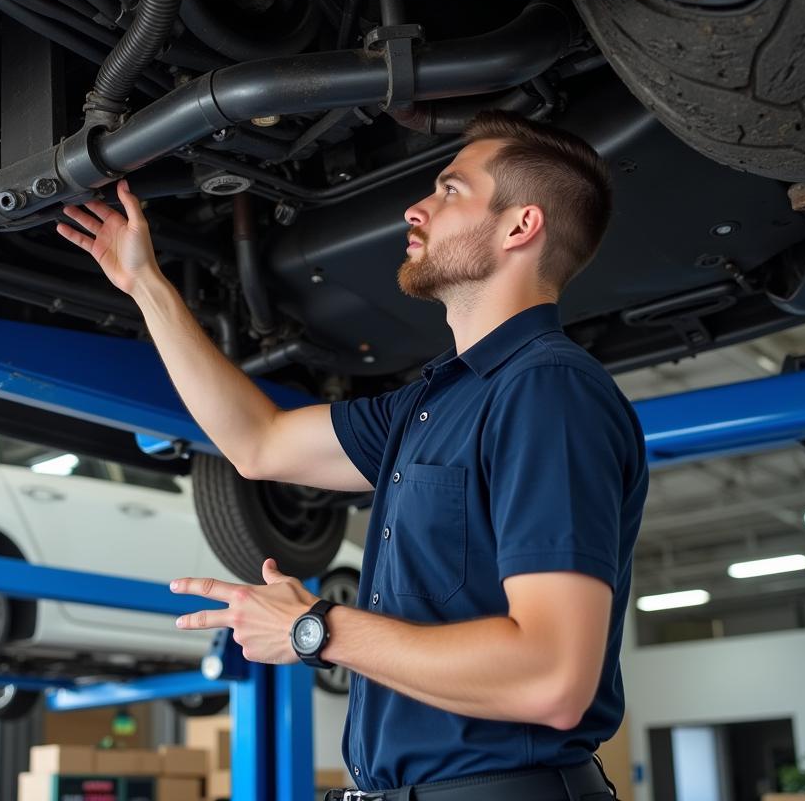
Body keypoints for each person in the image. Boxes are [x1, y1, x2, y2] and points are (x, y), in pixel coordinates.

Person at [56, 110, 649, 800]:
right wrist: (147, 286)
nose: (416, 207)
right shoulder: (431, 403)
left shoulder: (547, 392)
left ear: (521, 226)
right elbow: (258, 442)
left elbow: (552, 680)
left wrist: (315, 629)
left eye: (450, 190)